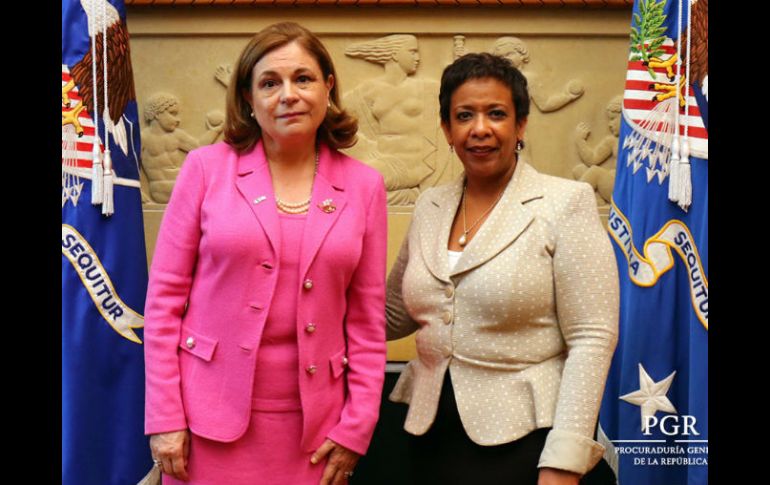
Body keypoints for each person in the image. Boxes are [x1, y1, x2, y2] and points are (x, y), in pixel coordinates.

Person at [144, 22, 387, 485]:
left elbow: (367, 323)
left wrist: (357, 428)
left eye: (303, 79)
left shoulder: (364, 186)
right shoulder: (204, 169)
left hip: (317, 433)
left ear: (328, 87)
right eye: (270, 83)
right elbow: (163, 303)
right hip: (204, 424)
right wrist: (165, 418)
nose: (288, 95)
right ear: (248, 99)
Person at [386, 53, 619, 485]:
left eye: (496, 113)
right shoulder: (430, 206)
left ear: (520, 125)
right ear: (447, 130)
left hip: (528, 443)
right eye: (464, 116)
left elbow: (592, 338)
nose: (480, 128)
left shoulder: (566, 203)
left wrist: (565, 460)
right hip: (430, 436)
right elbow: (392, 316)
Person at [343, 34, 454, 205]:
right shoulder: (368, 90)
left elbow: (456, 111)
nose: (418, 58)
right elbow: (339, 115)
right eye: (412, 52)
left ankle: (413, 195)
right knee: (342, 183)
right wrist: (366, 146)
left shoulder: (429, 88)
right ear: (395, 54)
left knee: (357, 184)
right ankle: (411, 196)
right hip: (384, 160)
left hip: (413, 163)